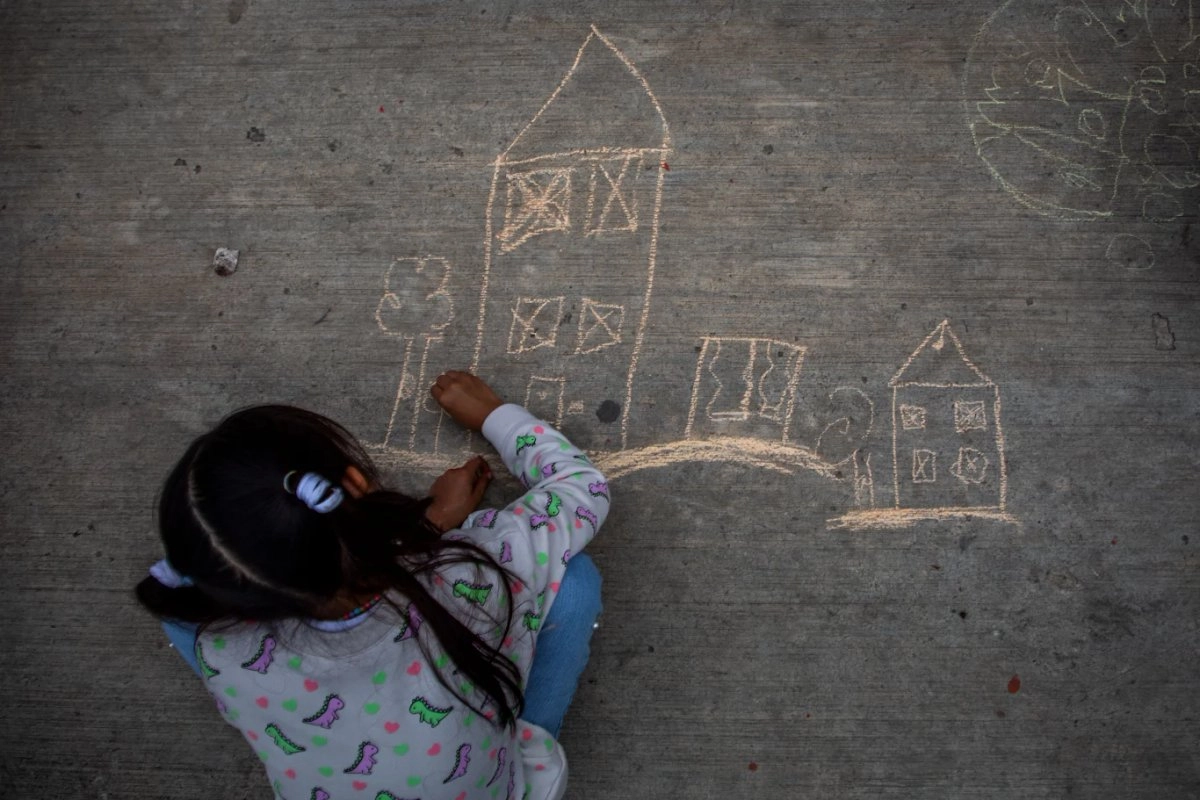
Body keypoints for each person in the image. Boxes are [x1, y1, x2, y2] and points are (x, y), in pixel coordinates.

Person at [136, 371, 609, 800]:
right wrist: (494, 417)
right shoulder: (468, 579)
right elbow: (582, 489)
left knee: (184, 614)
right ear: (355, 483)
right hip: (486, 782)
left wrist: (428, 526)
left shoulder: (222, 647)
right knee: (575, 582)